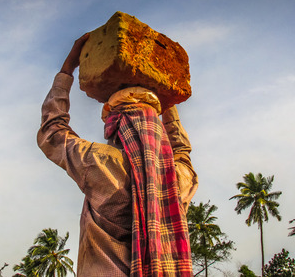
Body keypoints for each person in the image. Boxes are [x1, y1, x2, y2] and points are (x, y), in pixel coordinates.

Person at [37, 33, 198, 276]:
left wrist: (67, 68)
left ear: (115, 124)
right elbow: (181, 150)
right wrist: (164, 97)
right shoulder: (177, 179)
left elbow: (52, 132)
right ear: (158, 125)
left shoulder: (100, 162)